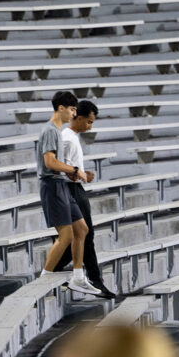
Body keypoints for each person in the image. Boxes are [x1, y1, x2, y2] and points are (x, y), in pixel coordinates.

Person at [38, 91, 101, 296]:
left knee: (81, 229)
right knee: (66, 235)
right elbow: (49, 162)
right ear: (61, 108)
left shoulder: (57, 131)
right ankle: (44, 278)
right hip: (53, 185)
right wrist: (75, 171)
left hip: (61, 184)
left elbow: (58, 164)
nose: (74, 114)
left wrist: (73, 173)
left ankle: (78, 276)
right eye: (72, 109)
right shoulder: (50, 131)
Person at [51, 99, 116, 298]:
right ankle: (95, 280)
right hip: (70, 190)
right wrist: (77, 174)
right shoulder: (68, 138)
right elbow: (57, 166)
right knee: (84, 235)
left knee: (81, 236)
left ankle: (51, 270)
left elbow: (70, 167)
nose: (90, 126)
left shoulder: (72, 136)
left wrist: (82, 172)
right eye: (88, 122)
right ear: (77, 118)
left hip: (75, 187)